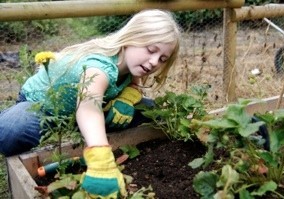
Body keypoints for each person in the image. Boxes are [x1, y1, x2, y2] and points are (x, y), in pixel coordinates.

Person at [0, 9, 181, 198]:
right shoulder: (101, 67)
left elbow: (134, 84)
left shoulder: (134, 65)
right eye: (151, 50)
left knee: (153, 112)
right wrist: (101, 161)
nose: (153, 62)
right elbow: (89, 107)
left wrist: (126, 99)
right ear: (130, 38)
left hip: (89, 106)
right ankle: (88, 131)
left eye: (162, 59)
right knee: (10, 131)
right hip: (43, 105)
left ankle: (88, 129)